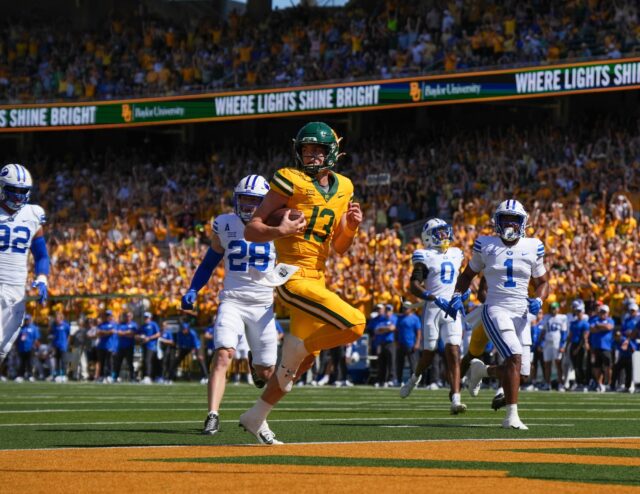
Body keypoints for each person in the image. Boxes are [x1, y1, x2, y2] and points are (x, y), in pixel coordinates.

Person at [239, 121, 366, 445]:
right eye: (306, 150)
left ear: (332, 152)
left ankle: (256, 417)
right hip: (291, 275)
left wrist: (350, 227)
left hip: (318, 278)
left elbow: (338, 246)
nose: (310, 156)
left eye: (317, 150)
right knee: (355, 323)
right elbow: (251, 229)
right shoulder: (288, 179)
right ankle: (299, 349)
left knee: (297, 365)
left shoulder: (345, 187)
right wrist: (278, 232)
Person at [181, 174, 279, 436]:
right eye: (244, 199)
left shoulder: (278, 225)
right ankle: (212, 414)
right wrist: (193, 288)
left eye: (254, 200)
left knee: (267, 373)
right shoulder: (224, 224)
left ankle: (254, 363)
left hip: (263, 305)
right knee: (223, 354)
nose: (248, 206)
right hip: (233, 299)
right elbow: (210, 260)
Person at [449, 199, 549, 430]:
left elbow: (543, 282)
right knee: (514, 357)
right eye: (506, 219)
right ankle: (511, 417)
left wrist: (539, 299)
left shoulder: (534, 245)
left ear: (523, 222)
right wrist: (456, 293)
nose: (510, 224)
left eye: (515, 219)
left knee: (522, 373)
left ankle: (482, 370)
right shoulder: (486, 243)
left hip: (522, 313)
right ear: (497, 221)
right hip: (496, 308)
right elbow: (467, 276)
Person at [400, 218, 467, 414]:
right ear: (429, 236)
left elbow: (461, 278)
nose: (445, 235)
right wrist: (433, 297)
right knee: (429, 352)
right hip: (433, 308)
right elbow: (414, 285)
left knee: (453, 352)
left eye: (446, 231)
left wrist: (464, 292)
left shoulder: (456, 254)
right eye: (440, 232)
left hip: (452, 308)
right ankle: (415, 378)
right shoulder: (424, 255)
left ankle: (455, 398)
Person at [0, 164, 49, 367]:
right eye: (14, 190)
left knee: (2, 351)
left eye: (23, 191)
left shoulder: (33, 214)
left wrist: (42, 278)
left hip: (17, 293)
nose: (19, 196)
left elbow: (41, 255)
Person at [540, 302, 568, 391]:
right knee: (547, 364)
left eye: (555, 308)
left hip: (557, 342)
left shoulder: (562, 317)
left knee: (558, 363)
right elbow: (543, 331)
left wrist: (562, 345)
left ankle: (561, 384)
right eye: (552, 308)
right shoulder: (546, 317)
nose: (554, 310)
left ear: (558, 309)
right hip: (548, 342)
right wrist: (540, 343)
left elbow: (564, 333)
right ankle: (547, 384)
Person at [565, 299, 590, 390]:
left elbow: (584, 338)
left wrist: (578, 348)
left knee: (580, 366)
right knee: (575, 366)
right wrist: (567, 346)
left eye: (579, 311)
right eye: (577, 311)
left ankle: (583, 383)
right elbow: (570, 336)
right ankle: (578, 382)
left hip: (580, 346)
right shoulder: (573, 323)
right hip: (573, 345)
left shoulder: (585, 323)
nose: (578, 313)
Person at [395, 301, 421, 385]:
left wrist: (417, 343)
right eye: (403, 308)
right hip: (401, 344)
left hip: (411, 344)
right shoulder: (400, 318)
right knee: (399, 364)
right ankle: (399, 380)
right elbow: (396, 331)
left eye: (406, 307)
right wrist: (396, 341)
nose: (404, 309)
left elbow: (418, 332)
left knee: (413, 364)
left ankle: (414, 382)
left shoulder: (415, 318)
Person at [589, 305, 614, 392]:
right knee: (597, 367)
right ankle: (600, 384)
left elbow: (609, 327)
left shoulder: (610, 320)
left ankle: (608, 383)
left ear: (607, 313)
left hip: (606, 347)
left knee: (608, 366)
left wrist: (598, 326)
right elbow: (592, 329)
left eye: (604, 312)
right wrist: (602, 327)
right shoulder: (595, 320)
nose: (602, 314)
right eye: (601, 312)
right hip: (596, 346)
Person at [373, 304, 397, 387]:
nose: (388, 312)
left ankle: (391, 379)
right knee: (381, 363)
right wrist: (387, 329)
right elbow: (376, 330)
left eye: (389, 310)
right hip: (381, 343)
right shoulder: (381, 319)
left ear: (392, 311)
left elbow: (392, 328)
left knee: (391, 362)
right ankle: (381, 380)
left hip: (390, 343)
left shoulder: (394, 318)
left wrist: (383, 329)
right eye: (387, 310)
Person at [137, 311, 161, 384]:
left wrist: (149, 338)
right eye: (145, 317)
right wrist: (140, 337)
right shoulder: (143, 326)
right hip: (144, 345)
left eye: (147, 317)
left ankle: (148, 376)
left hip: (151, 346)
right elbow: (138, 334)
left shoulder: (153, 324)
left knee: (148, 360)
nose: (145, 319)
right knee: (144, 361)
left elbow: (158, 334)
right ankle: (145, 376)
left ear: (150, 318)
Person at [113, 311, 137, 382]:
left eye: (129, 316)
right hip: (121, 347)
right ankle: (115, 377)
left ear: (132, 317)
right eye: (127, 316)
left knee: (130, 363)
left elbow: (132, 333)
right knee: (118, 363)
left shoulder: (134, 324)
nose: (128, 317)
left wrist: (124, 333)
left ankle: (132, 377)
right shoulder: (121, 324)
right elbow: (119, 333)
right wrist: (127, 333)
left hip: (129, 346)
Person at [15, 314, 40, 382]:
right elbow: (17, 339)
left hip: (30, 348)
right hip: (22, 348)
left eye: (27, 320)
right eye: (25, 320)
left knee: (30, 363)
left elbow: (36, 339)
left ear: (30, 320)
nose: (26, 321)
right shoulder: (21, 328)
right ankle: (21, 375)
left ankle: (30, 375)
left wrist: (36, 348)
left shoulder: (34, 328)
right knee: (21, 363)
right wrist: (16, 347)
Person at [95, 310, 117, 382]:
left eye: (109, 315)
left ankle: (109, 375)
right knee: (102, 362)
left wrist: (103, 333)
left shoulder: (114, 324)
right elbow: (98, 333)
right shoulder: (101, 325)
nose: (107, 317)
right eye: (106, 315)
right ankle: (101, 376)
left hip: (110, 345)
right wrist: (107, 332)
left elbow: (112, 332)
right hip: (101, 346)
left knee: (109, 362)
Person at [49, 311, 71, 382]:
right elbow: (53, 335)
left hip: (63, 345)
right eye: (56, 317)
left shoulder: (65, 325)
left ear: (61, 318)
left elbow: (68, 335)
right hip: (56, 345)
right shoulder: (54, 326)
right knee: (57, 361)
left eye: (58, 317)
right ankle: (57, 374)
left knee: (63, 361)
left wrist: (66, 343)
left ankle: (64, 375)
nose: (57, 319)